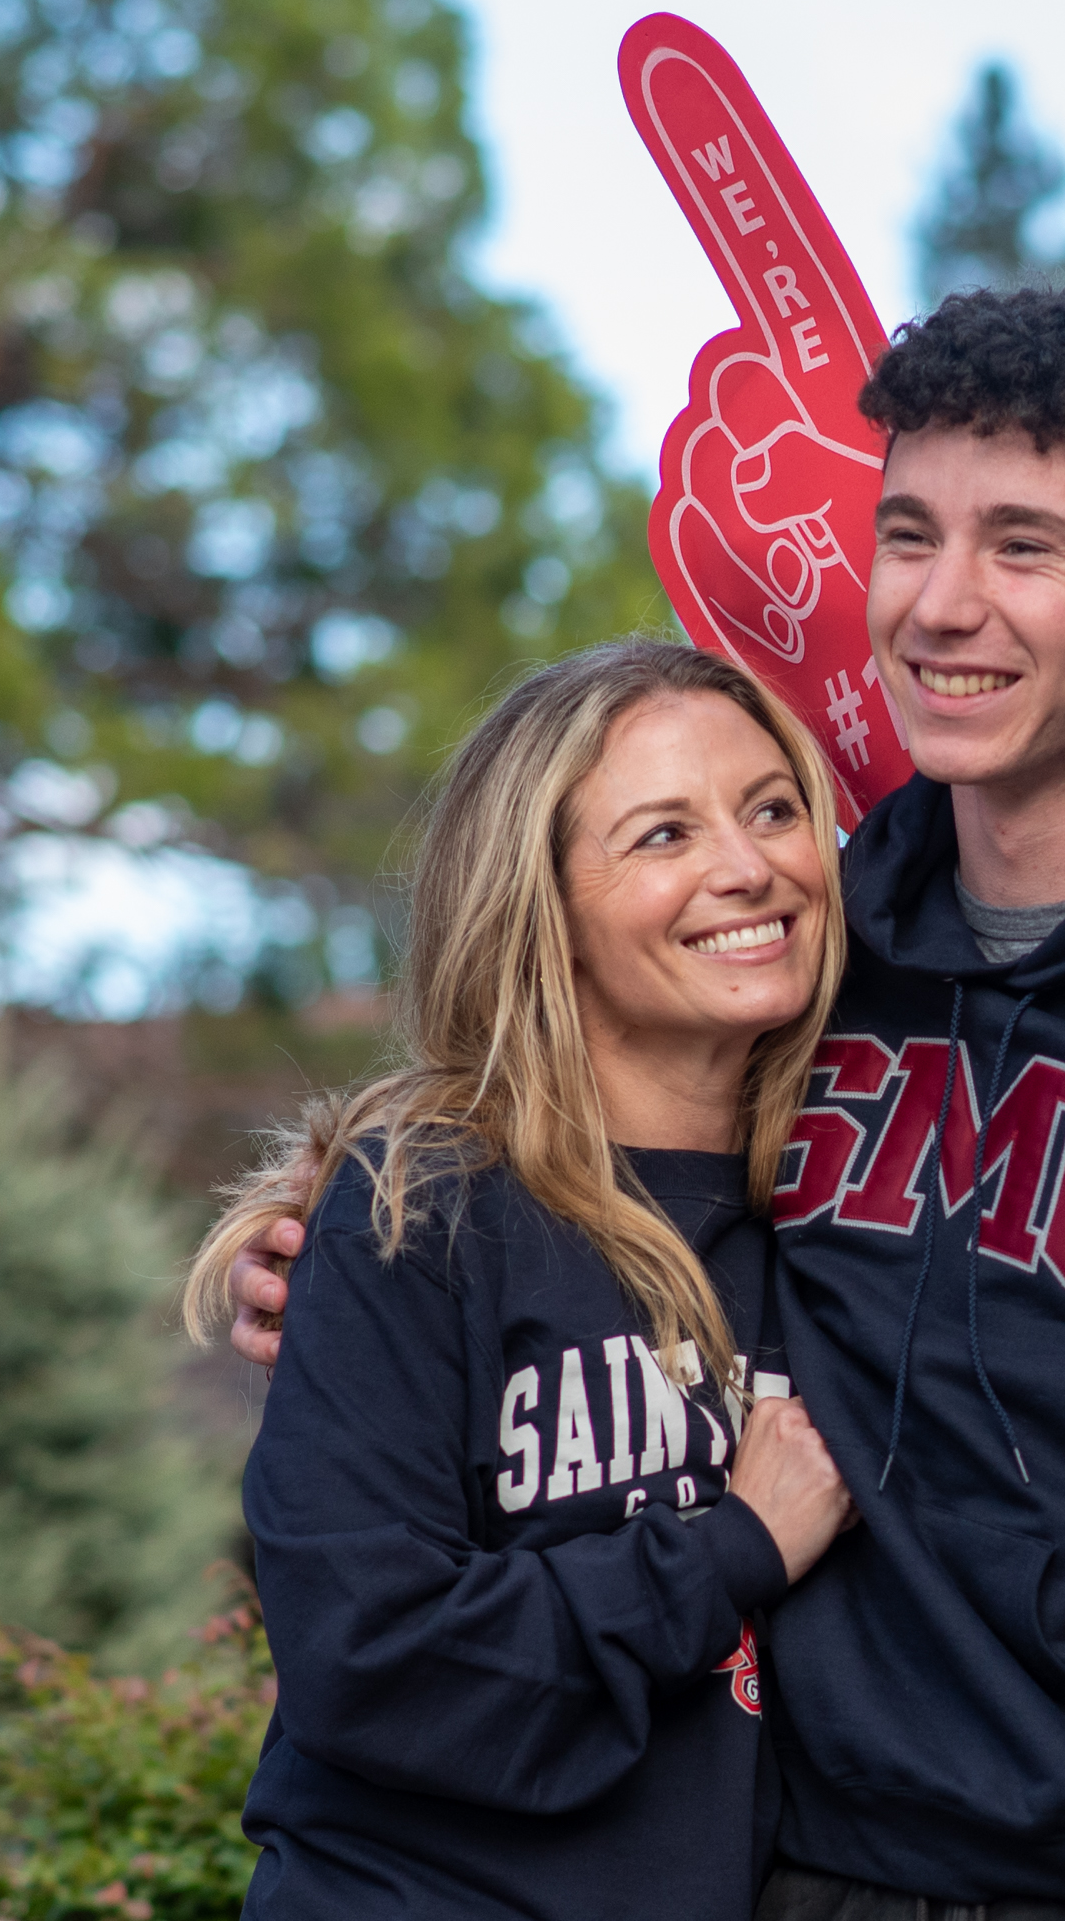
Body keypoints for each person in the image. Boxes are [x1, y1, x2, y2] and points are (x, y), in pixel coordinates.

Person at [223, 283, 1065, 1921]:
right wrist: (352, 1254)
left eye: (1023, 547)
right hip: (806, 1866)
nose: (941, 603)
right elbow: (570, 1151)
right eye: (908, 532)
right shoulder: (812, 950)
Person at [187, 638, 858, 1921]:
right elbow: (374, 1659)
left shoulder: (849, 1212)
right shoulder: (419, 1206)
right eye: (663, 833)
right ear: (541, 899)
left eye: (774, 808)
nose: (747, 864)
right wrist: (731, 1547)